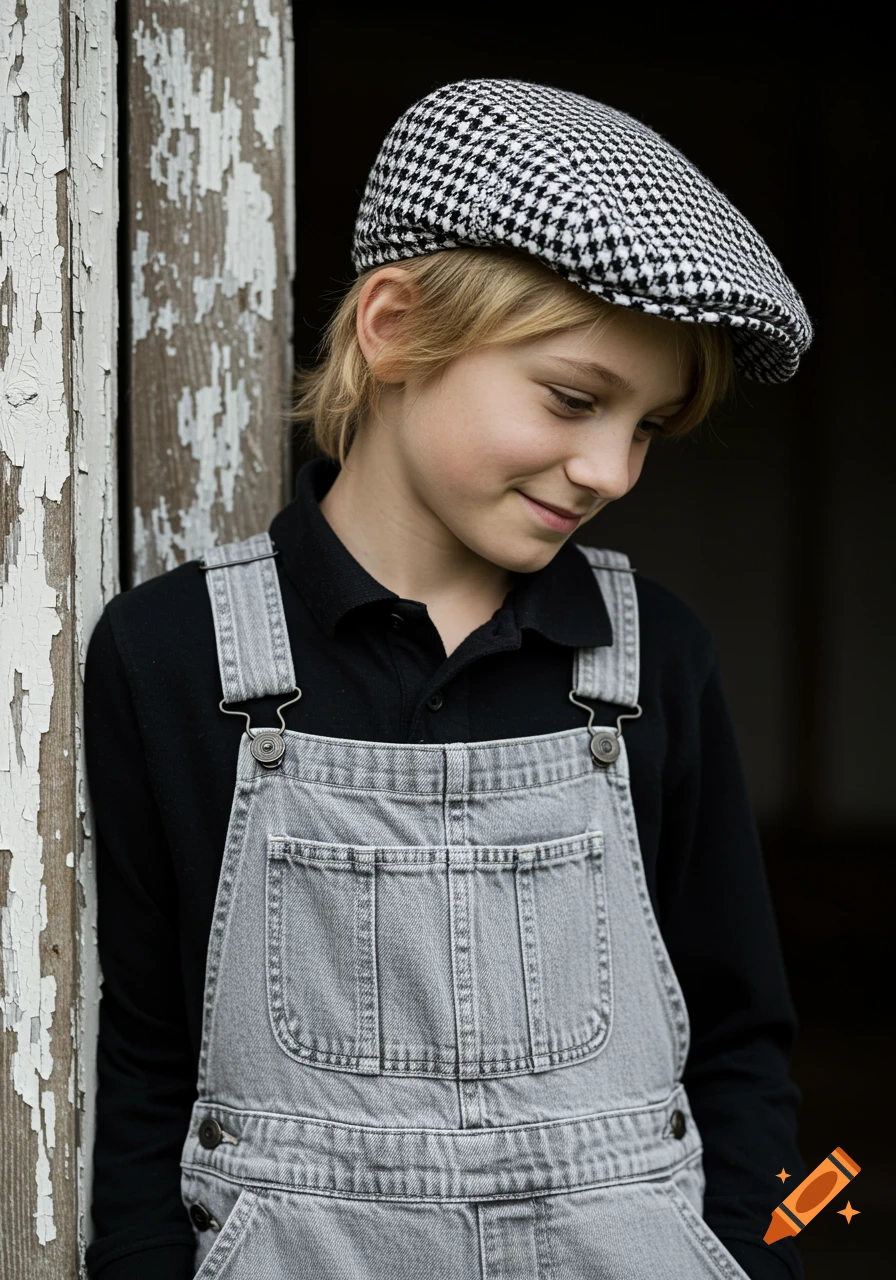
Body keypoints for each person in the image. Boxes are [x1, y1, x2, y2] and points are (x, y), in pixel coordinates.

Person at [84, 79, 811, 1280]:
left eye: (645, 426)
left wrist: (753, 1254)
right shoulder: (171, 655)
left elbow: (740, 1039)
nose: (610, 468)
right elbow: (148, 1056)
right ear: (392, 326)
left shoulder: (656, 659)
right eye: (574, 399)